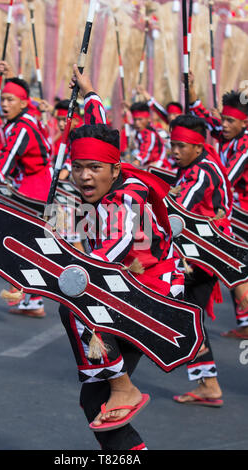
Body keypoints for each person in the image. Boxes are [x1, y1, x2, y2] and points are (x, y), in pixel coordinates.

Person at [57, 65, 185, 450]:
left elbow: (103, 258)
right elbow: (98, 128)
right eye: (77, 167)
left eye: (94, 168)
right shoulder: (111, 173)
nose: (84, 177)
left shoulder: (125, 198)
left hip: (153, 290)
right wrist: (90, 90)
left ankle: (123, 387)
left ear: (115, 168)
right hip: (130, 282)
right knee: (91, 399)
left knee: (75, 305)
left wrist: (58, 259)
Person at [168, 114, 234, 406]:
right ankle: (208, 384)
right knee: (188, 316)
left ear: (197, 146)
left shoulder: (202, 172)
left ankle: (209, 384)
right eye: (173, 145)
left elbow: (178, 209)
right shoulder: (194, 164)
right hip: (198, 252)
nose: (175, 151)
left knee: (188, 317)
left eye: (181, 146)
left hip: (202, 255)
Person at [188, 71, 248, 339]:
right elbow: (199, 113)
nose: (223, 124)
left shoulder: (245, 145)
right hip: (231, 210)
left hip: (242, 215)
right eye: (223, 118)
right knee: (234, 264)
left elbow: (225, 178)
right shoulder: (227, 135)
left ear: (244, 123)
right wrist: (189, 87)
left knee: (232, 262)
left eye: (230, 121)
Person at [0, 77, 52, 318]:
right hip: (30, 185)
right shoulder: (21, 120)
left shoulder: (23, 126)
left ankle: (30, 295)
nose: (4, 104)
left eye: (9, 100)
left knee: (23, 243)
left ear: (23, 104)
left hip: (35, 189)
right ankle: (32, 298)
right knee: (28, 244)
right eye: (2, 99)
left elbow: (10, 154)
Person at [129, 101, 170, 169]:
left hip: (159, 166)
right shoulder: (140, 132)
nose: (137, 123)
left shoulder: (149, 133)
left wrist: (137, 161)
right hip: (148, 164)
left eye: (140, 119)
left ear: (148, 119)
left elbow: (146, 149)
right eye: (135, 120)